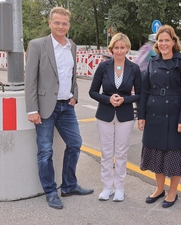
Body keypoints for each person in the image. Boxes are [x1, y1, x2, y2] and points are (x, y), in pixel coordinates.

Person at [24, 7, 93, 209]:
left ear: (68, 25)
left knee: (75, 144)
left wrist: (74, 95)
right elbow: (31, 80)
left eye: (64, 23)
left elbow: (72, 75)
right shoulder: (37, 45)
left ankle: (70, 185)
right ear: (50, 24)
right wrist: (32, 109)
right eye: (57, 22)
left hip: (66, 106)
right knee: (45, 151)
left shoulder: (71, 46)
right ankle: (51, 191)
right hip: (45, 107)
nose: (61, 26)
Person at [137, 25, 181, 208]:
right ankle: (159, 188)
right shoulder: (153, 61)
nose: (163, 44)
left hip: (176, 115)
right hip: (155, 115)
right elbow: (144, 90)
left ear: (173, 42)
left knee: (175, 155)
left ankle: (172, 191)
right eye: (160, 41)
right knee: (156, 154)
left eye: (166, 40)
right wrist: (141, 115)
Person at [89, 33, 142, 202]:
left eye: (123, 47)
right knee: (106, 153)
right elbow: (93, 91)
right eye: (116, 48)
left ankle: (119, 187)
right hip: (104, 114)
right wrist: (108, 99)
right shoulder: (103, 66)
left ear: (127, 48)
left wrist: (125, 99)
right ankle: (107, 187)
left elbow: (140, 94)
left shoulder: (134, 68)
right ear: (111, 49)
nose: (119, 51)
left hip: (125, 116)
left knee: (121, 153)